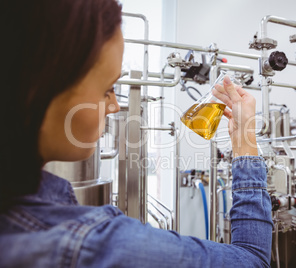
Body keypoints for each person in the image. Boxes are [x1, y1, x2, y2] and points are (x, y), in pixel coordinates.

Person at [0, 0, 273, 267]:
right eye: (108, 88)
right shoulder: (92, 246)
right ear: (38, 89)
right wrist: (245, 140)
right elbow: (251, 259)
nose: (115, 105)